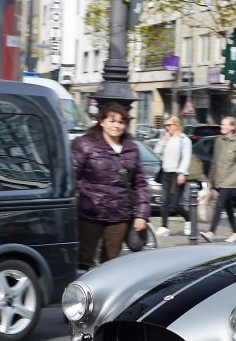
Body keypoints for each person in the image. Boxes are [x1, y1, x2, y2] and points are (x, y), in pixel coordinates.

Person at [72, 100, 150, 269]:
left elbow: (140, 183)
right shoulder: (85, 144)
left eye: (121, 122)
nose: (116, 125)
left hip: (119, 215)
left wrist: (142, 214)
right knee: (83, 261)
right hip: (90, 213)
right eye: (112, 120)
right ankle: (79, 294)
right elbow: (72, 176)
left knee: (111, 263)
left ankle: (104, 295)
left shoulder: (131, 148)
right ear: (102, 121)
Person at [153, 116, 193, 237]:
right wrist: (163, 140)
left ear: (176, 125)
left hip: (177, 174)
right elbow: (157, 151)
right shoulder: (166, 138)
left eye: (169, 125)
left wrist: (182, 173)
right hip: (166, 172)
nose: (167, 127)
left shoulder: (184, 140)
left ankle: (190, 220)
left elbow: (186, 158)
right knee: (164, 201)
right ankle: (164, 227)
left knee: (175, 204)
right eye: (165, 125)